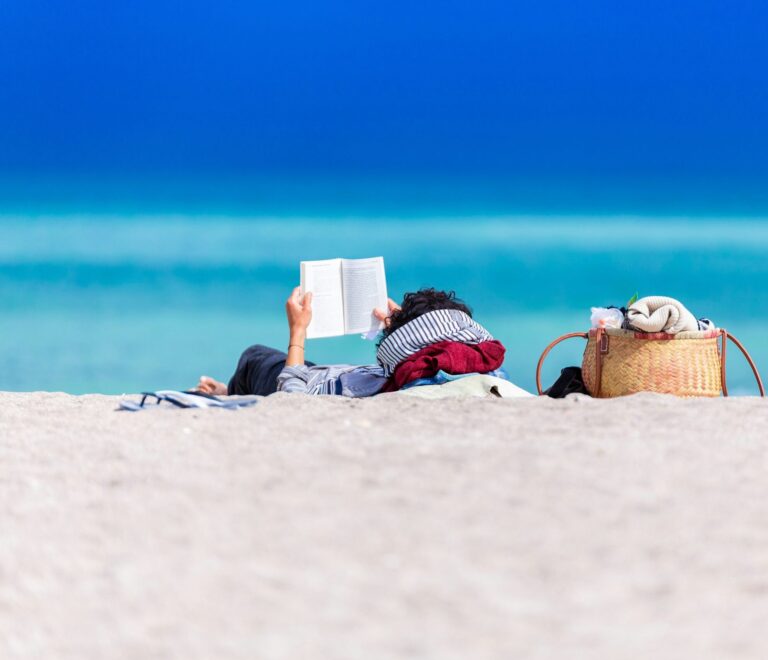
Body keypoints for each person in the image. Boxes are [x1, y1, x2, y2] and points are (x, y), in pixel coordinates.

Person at [196, 287, 505, 397]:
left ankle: (229, 394)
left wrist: (298, 330)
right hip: (339, 375)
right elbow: (437, 340)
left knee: (254, 357)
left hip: (310, 382)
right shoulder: (476, 365)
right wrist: (403, 326)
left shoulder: (395, 385)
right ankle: (229, 391)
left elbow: (292, 397)